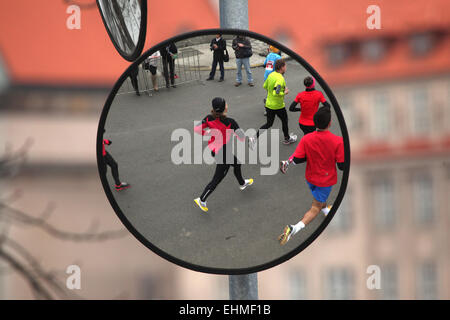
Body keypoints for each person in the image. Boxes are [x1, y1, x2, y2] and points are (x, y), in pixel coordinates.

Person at [278, 105, 345, 245]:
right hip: (325, 181)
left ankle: (326, 209)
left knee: (319, 199)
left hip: (310, 178)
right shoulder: (338, 141)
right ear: (330, 123)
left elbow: (298, 158)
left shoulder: (307, 138)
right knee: (315, 207)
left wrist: (289, 162)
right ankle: (294, 228)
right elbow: (342, 166)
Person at [193, 97, 254, 212]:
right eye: (225, 103)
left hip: (215, 150)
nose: (227, 104)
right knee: (217, 179)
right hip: (223, 155)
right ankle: (201, 199)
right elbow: (241, 137)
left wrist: (208, 133)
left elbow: (197, 129)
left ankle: (242, 183)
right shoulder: (230, 122)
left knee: (237, 164)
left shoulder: (208, 118)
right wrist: (249, 139)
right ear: (224, 108)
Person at [250, 59, 297, 147]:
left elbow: (265, 86)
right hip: (278, 106)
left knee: (269, 124)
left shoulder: (271, 75)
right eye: (285, 66)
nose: (286, 68)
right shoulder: (280, 78)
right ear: (282, 67)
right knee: (284, 121)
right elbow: (277, 92)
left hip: (268, 104)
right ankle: (287, 139)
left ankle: (254, 137)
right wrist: (285, 92)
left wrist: (272, 90)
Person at [262, 45, 282, 116]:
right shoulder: (278, 57)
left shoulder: (269, 55)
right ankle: (271, 108)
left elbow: (264, 64)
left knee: (269, 93)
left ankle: (268, 107)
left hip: (267, 78)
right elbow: (281, 69)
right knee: (275, 93)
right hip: (274, 79)